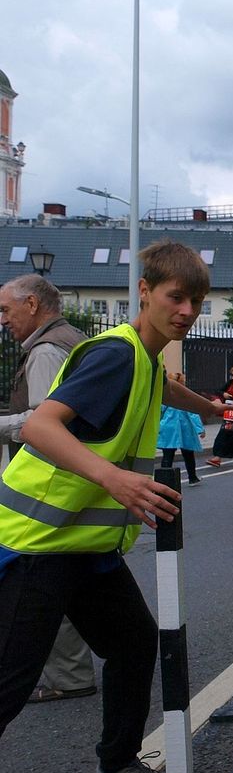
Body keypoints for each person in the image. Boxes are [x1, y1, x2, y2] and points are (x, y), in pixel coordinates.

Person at [0, 240, 227, 773]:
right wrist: (116, 479)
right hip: (39, 544)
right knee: (10, 683)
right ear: (144, 292)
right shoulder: (116, 354)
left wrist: (210, 408)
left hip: (86, 546)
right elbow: (38, 427)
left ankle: (115, 768)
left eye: (196, 302)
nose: (187, 312)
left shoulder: (143, 358)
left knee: (132, 643)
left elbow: (161, 384)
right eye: (176, 298)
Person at [0, 274, 94, 704]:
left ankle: (67, 673)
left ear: (33, 305)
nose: (3, 320)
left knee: (39, 577)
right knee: (68, 574)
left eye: (6, 310)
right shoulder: (74, 339)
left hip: (48, 485)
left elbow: (41, 424)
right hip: (72, 481)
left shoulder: (45, 351)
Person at [157, 372, 205, 484]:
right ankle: (192, 477)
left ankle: (164, 481)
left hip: (169, 428)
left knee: (168, 455)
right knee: (188, 454)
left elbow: (159, 412)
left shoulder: (166, 396)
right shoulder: (186, 396)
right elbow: (193, 413)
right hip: (185, 428)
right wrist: (199, 429)